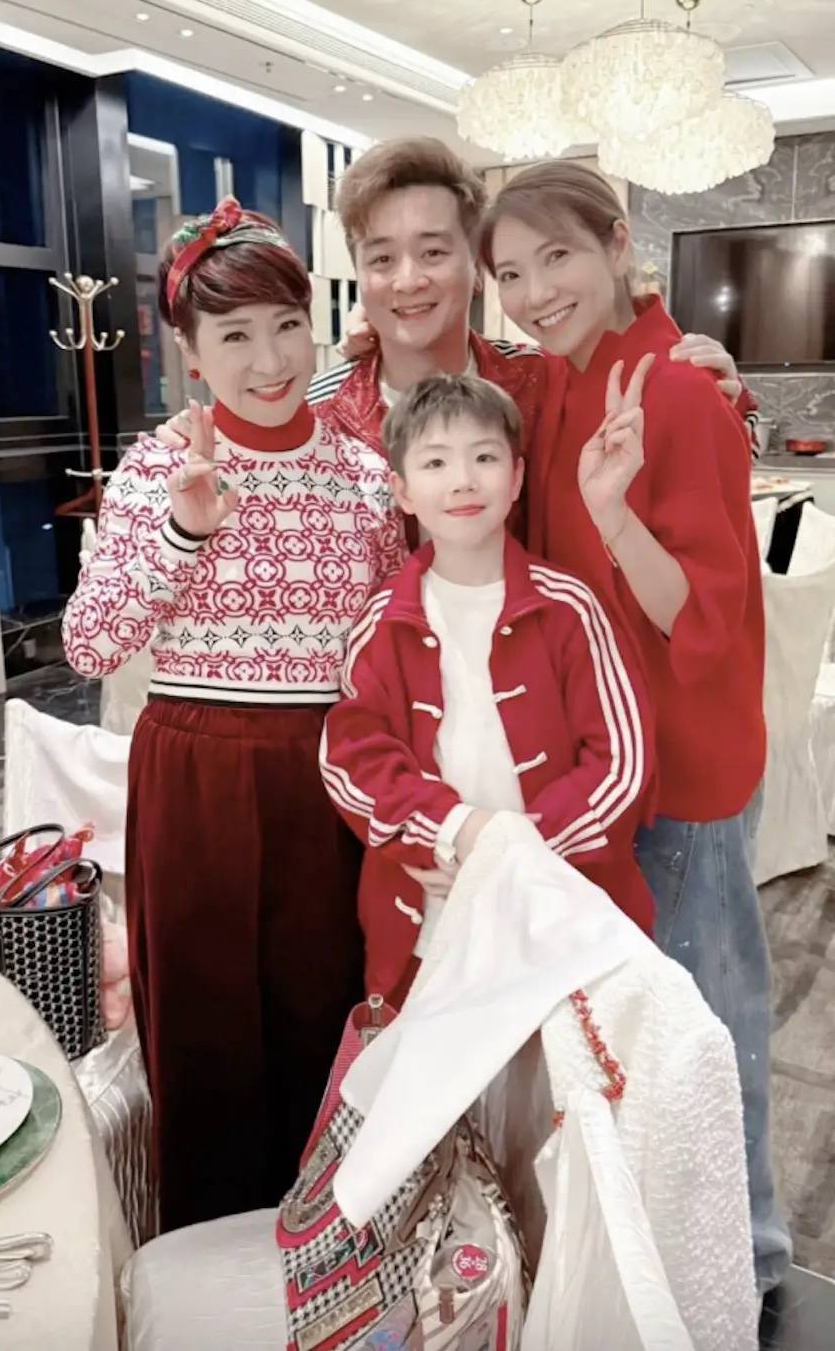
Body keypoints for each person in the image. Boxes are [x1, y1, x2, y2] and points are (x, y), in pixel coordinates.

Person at [62, 198, 405, 1232]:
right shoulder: (159, 467)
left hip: (329, 773)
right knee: (205, 1031)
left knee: (322, 1015)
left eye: (287, 325)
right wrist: (181, 530)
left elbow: (395, 642)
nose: (269, 359)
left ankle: (324, 1252)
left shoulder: (363, 472)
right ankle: (206, 1264)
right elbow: (91, 644)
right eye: (236, 335)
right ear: (190, 351)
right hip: (196, 774)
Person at [479, 159, 790, 1293]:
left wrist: (613, 515)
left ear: (619, 243)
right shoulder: (562, 379)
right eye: (510, 273)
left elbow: (699, 613)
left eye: (556, 256)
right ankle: (669, 1260)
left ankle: (748, 1264)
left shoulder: (672, 392)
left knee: (704, 1033)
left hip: (680, 773)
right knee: (639, 1034)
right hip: (609, 772)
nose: (533, 292)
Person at [319, 372, 655, 1007]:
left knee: (562, 1066)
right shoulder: (381, 620)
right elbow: (352, 761)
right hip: (429, 920)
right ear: (402, 491)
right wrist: (452, 831)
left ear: (517, 477)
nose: (463, 481)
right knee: (434, 1061)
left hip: (562, 913)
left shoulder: (569, 607)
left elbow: (621, 762)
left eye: (484, 457)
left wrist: (513, 855)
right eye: (435, 463)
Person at [157, 138, 755, 475]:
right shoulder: (318, 415)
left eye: (434, 252)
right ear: (361, 274)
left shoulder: (544, 383)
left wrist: (725, 398)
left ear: (476, 269)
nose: (408, 280)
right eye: (382, 258)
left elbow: (700, 462)